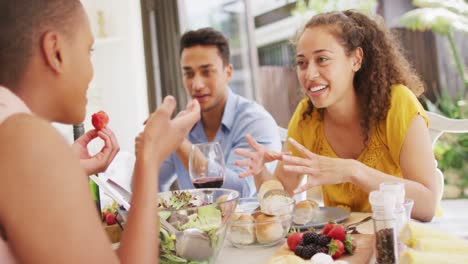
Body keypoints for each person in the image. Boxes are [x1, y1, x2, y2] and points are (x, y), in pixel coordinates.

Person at [0, 0, 200, 263]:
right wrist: (150, 157)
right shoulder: (26, 139)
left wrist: (66, 168)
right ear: (55, 51)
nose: (92, 71)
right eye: (88, 50)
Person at [235, 10, 437, 222]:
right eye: (302, 63)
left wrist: (353, 171)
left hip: (394, 242)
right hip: (339, 245)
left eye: (322, 59)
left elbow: (427, 206)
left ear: (356, 60)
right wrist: (260, 173)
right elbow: (281, 199)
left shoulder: (396, 103)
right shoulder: (307, 116)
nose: (309, 74)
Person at [155, 28, 282, 197]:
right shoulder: (184, 124)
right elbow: (146, 187)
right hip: (196, 223)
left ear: (228, 72)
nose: (197, 84)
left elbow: (238, 192)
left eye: (207, 71)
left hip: (248, 222)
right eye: (189, 73)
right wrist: (147, 152)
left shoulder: (255, 121)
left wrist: (178, 141)